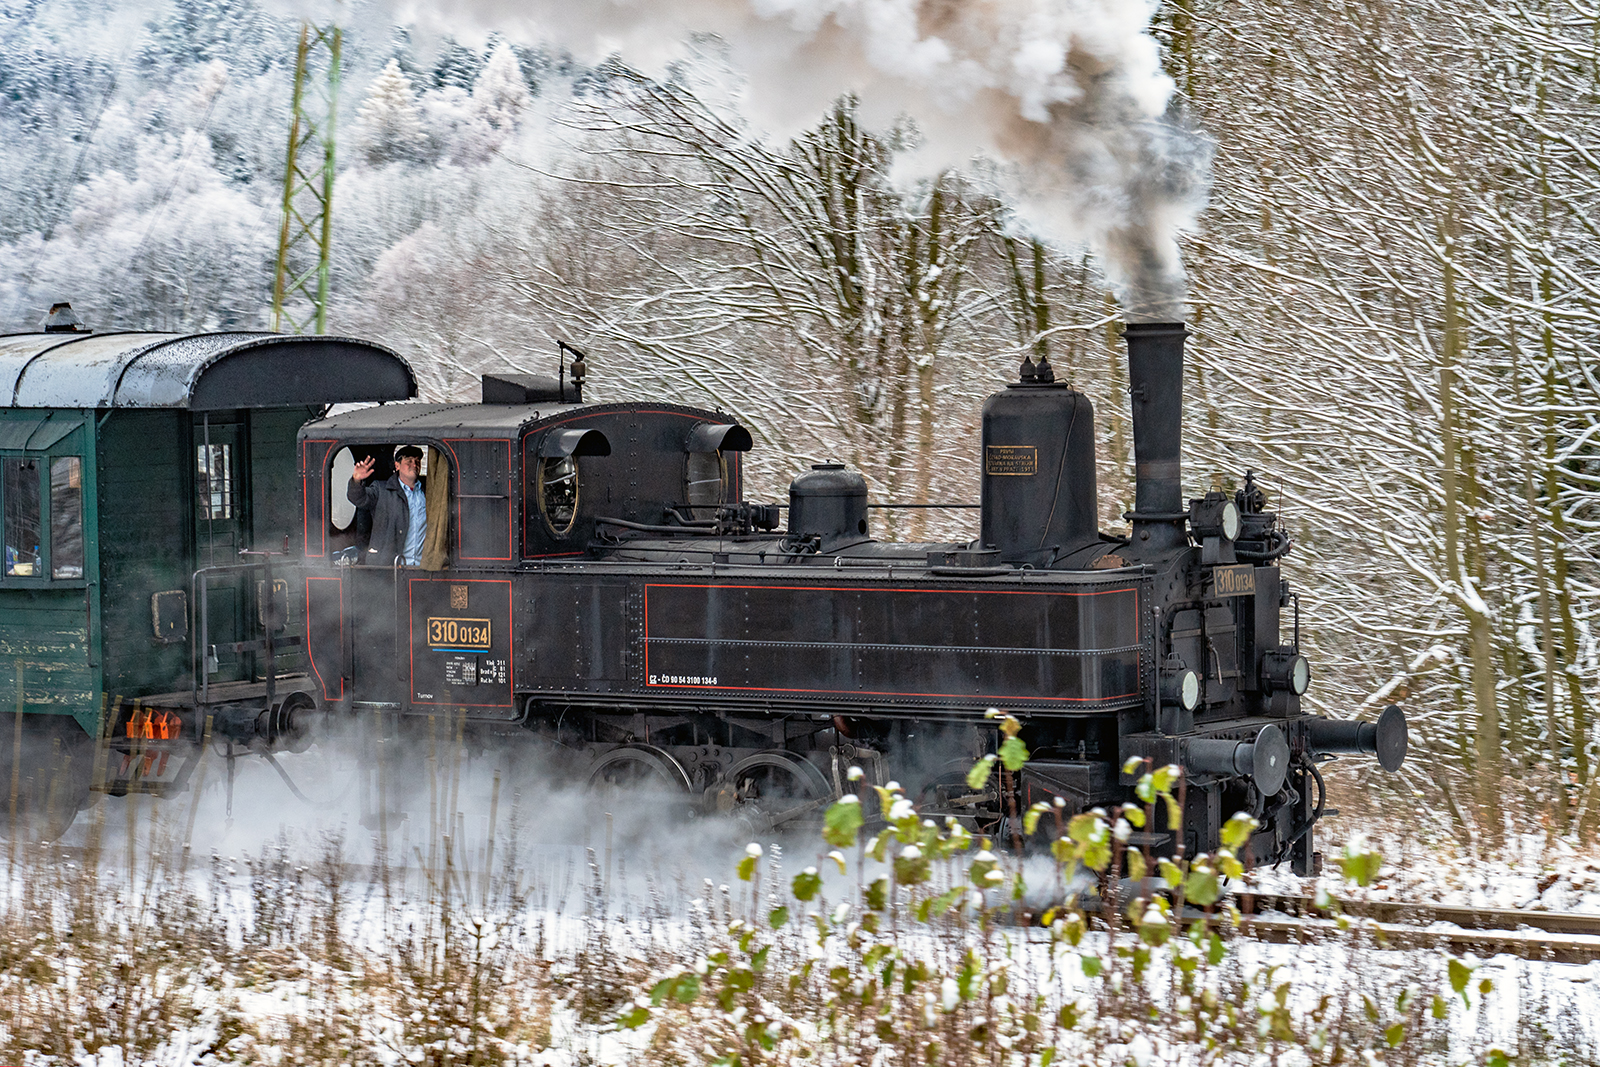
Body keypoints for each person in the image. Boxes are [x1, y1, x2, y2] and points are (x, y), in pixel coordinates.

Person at [348, 445, 427, 565]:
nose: (415, 465)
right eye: (409, 461)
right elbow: (358, 498)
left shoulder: (428, 491)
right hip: (390, 568)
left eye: (417, 461)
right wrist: (356, 480)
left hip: (422, 567)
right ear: (397, 465)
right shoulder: (381, 490)